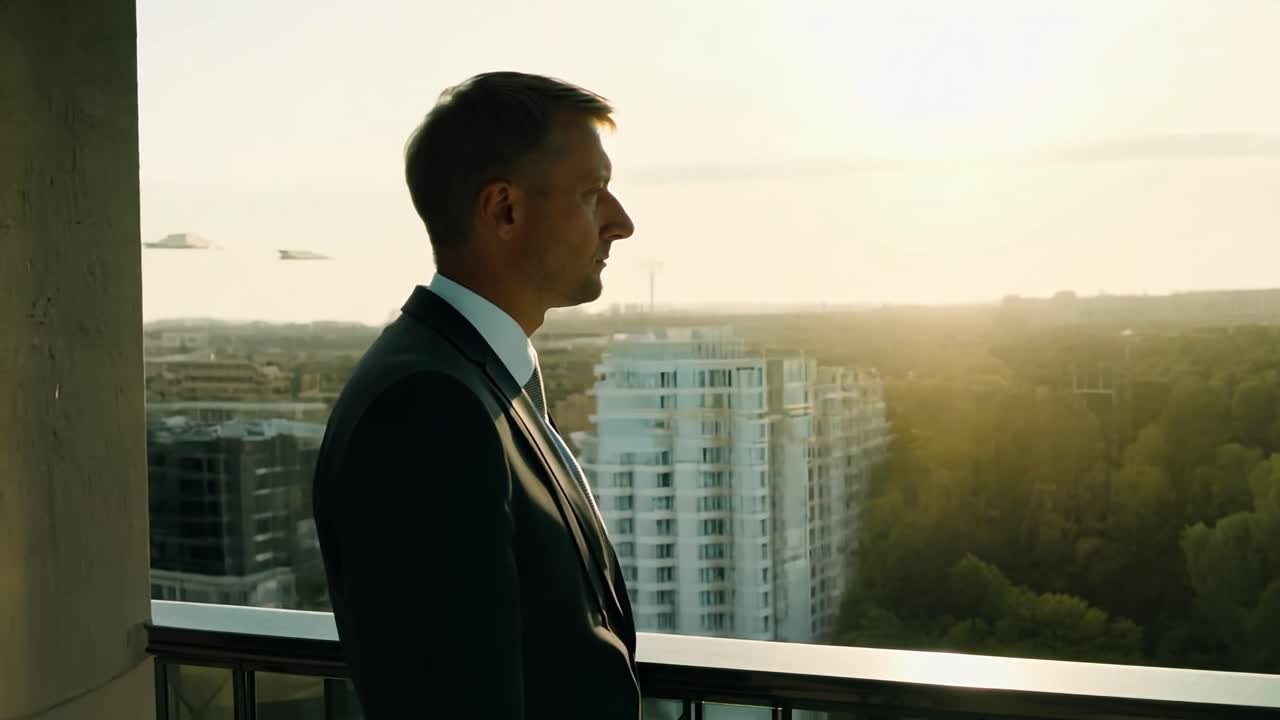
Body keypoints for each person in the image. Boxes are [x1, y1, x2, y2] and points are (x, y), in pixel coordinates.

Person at [312, 72, 639, 719]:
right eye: (592, 193)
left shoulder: (479, 375)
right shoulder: (428, 411)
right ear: (504, 211)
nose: (620, 223)